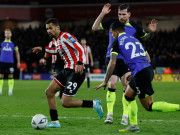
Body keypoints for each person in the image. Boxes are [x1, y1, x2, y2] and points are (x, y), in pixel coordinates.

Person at [95, 21, 180, 132]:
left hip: (141, 74)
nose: (111, 35)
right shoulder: (135, 39)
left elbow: (112, 63)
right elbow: (148, 58)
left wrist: (105, 81)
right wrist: (136, 73)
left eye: (111, 33)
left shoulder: (116, 42)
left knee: (149, 106)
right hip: (146, 70)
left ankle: (178, 107)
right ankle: (134, 126)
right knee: (128, 95)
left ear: (116, 32)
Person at [92, 3, 157, 124]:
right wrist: (102, 13)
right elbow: (94, 28)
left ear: (129, 14)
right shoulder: (112, 23)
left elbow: (146, 39)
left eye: (123, 14)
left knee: (127, 86)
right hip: (111, 57)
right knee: (112, 84)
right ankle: (110, 115)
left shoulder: (135, 27)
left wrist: (152, 32)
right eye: (119, 14)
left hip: (127, 60)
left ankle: (125, 116)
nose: (121, 17)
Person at [37, 18, 104, 128]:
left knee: (65, 103)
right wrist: (43, 50)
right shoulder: (57, 41)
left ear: (57, 27)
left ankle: (94, 104)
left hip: (76, 71)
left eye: (50, 28)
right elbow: (56, 51)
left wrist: (79, 63)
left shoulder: (66, 36)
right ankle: (55, 122)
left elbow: (80, 48)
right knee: (49, 92)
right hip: (66, 70)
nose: (48, 31)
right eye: (47, 29)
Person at [0, 28, 20, 96]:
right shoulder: (1, 42)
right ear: (4, 34)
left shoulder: (14, 42)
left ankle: (10, 91)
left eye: (8, 33)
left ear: (11, 34)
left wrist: (18, 62)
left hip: (10, 62)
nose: (7, 34)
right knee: (0, 76)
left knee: (11, 76)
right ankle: (0, 90)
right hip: (1, 61)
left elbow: (17, 53)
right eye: (6, 33)